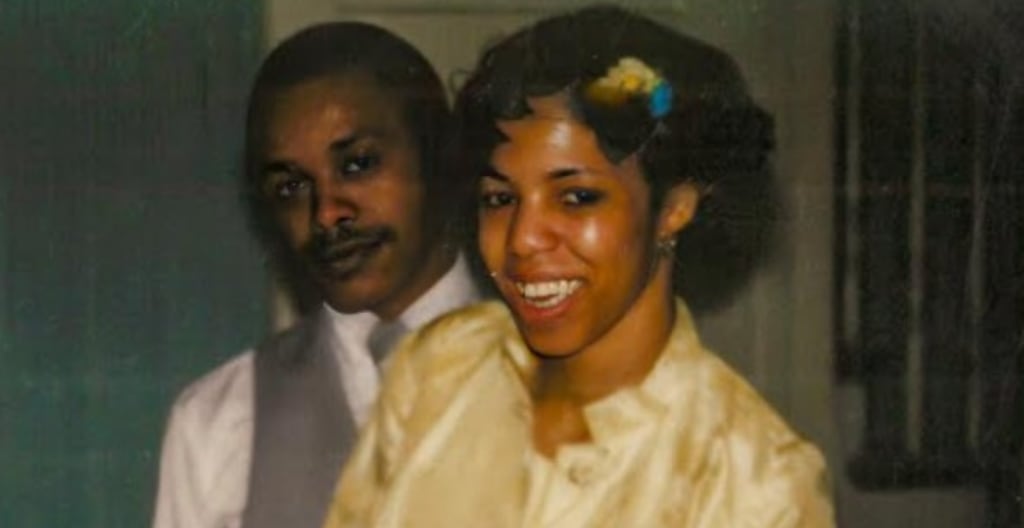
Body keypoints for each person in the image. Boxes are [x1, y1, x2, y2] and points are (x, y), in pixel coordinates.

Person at [323, 6, 833, 527]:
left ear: (674, 208)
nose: (522, 239)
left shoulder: (754, 483)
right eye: (500, 199)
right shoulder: (441, 366)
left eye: (577, 197)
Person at [152, 22, 480, 528]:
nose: (326, 213)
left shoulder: (568, 372)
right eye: (291, 188)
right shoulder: (218, 421)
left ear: (437, 155)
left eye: (358, 164)